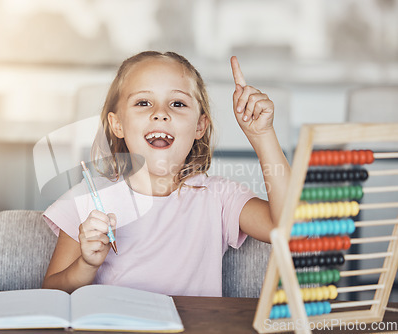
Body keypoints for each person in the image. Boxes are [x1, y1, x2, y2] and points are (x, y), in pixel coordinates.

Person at [42, 51, 290, 296]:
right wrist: (86, 265)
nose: (160, 112)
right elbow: (50, 292)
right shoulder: (86, 198)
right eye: (143, 103)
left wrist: (262, 135)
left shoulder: (220, 197)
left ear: (200, 126)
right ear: (117, 124)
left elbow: (286, 227)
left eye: (177, 103)